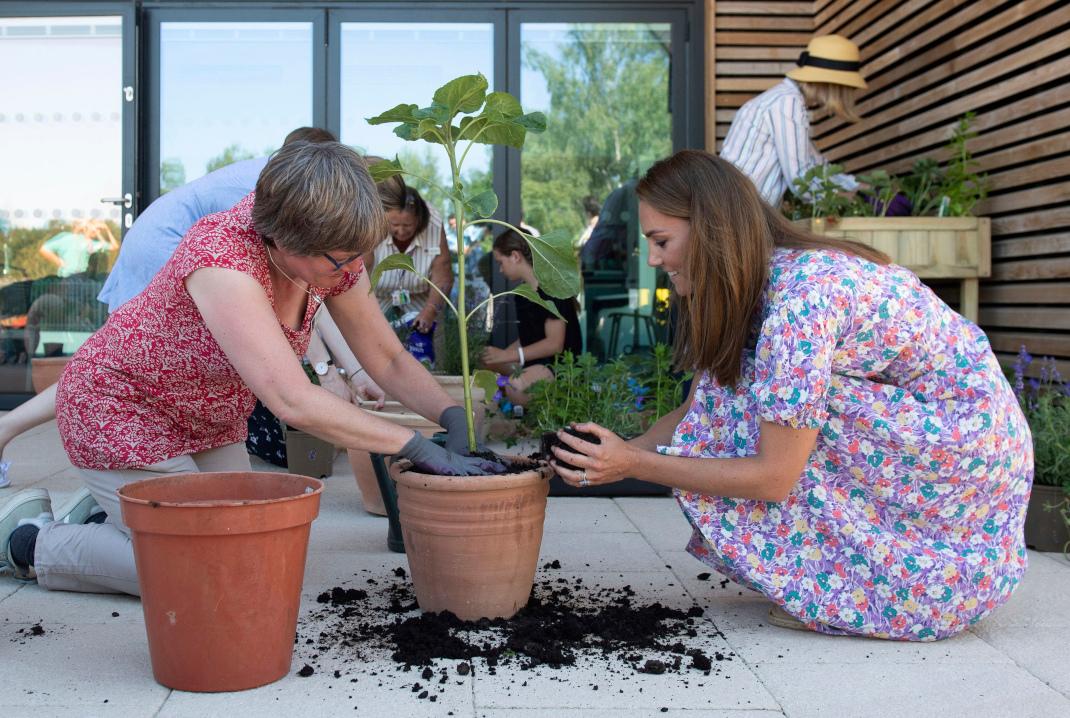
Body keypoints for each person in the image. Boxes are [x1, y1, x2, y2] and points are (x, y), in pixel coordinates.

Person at [549, 149, 1032, 641]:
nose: (653, 259)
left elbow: (774, 477)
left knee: (750, 406)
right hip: (944, 438)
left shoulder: (800, 304)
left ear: (712, 228)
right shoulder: (765, 282)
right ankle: (847, 580)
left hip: (968, 455)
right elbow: (693, 410)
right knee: (733, 393)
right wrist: (609, 454)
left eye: (661, 240)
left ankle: (887, 589)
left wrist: (633, 465)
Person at [0, 141, 501, 593]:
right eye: (342, 261)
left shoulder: (329, 255)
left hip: (208, 419)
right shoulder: (222, 259)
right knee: (203, 569)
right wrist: (411, 445)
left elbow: (387, 356)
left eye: (360, 257)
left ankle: (118, 516)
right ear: (286, 241)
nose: (353, 273)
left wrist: (451, 415)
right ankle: (30, 542)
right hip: (122, 411)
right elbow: (290, 398)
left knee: (247, 554)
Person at [0, 128, 386, 484]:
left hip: (185, 244)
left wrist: (352, 370)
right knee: (133, 356)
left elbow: (313, 298)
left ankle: (28, 433)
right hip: (169, 239)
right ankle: (104, 465)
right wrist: (326, 371)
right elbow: (286, 314)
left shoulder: (304, 201)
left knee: (136, 359)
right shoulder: (293, 200)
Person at [720, 34, 866, 206]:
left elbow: (816, 166)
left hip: (731, 211)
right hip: (737, 215)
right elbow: (802, 179)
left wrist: (863, 187)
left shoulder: (783, 99)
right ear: (832, 85)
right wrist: (853, 199)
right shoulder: (788, 103)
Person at [481, 229, 581, 406]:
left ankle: (529, 408)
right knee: (487, 368)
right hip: (535, 363)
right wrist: (499, 356)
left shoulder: (552, 289)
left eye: (501, 262)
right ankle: (506, 409)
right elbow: (529, 338)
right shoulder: (523, 294)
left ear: (515, 256)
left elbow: (554, 344)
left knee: (516, 385)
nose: (500, 269)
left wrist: (508, 355)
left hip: (559, 367)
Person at [364, 186, 452, 364]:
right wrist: (368, 315)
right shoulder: (371, 222)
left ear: (419, 220)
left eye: (408, 225)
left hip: (422, 299)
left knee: (429, 354)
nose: (401, 231)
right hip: (377, 297)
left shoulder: (433, 224)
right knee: (374, 354)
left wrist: (430, 311)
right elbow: (360, 271)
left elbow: (443, 272)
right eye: (394, 225)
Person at [38, 219, 118, 278]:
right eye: (95, 229)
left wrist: (106, 230)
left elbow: (114, 247)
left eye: (99, 230)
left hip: (82, 278)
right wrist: (59, 262)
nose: (97, 231)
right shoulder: (67, 238)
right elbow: (44, 249)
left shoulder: (91, 243)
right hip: (66, 277)